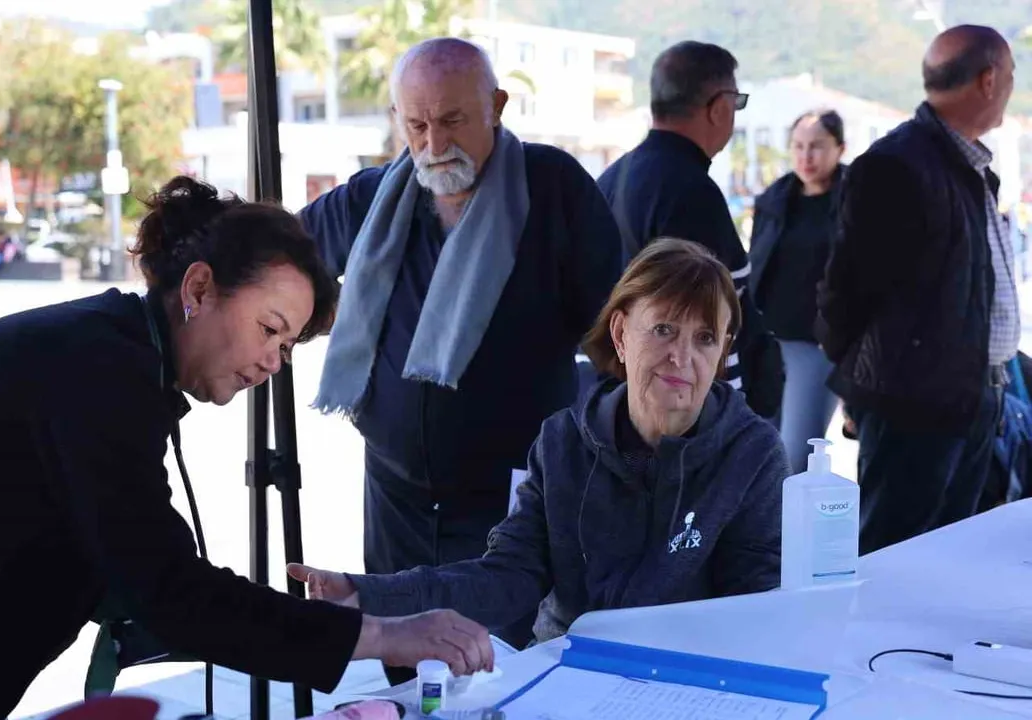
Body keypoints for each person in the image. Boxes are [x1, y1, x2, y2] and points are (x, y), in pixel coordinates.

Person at [0, 176, 494, 719]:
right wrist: (384, 634)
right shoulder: (97, 370)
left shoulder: (110, 350)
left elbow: (139, 571)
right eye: (270, 329)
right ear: (197, 289)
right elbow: (170, 588)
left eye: (289, 346)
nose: (274, 362)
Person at [289, 239, 786, 645]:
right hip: (565, 672)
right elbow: (507, 575)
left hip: (687, 685)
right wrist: (368, 594)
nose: (682, 356)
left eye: (705, 338)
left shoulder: (753, 455)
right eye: (663, 329)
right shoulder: (562, 443)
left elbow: (755, 609)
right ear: (620, 334)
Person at [300, 38, 623, 659]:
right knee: (407, 668)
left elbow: (615, 326)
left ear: (496, 106)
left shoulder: (553, 188)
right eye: (417, 125)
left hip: (511, 500)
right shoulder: (373, 197)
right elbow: (279, 259)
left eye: (452, 120)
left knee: (497, 663)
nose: (434, 144)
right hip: (396, 501)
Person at [817, 25, 1018, 554]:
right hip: (914, 404)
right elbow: (845, 293)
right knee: (892, 554)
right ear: (988, 79)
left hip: (973, 396)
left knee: (952, 555)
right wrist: (864, 389)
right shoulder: (897, 165)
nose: (1011, 88)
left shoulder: (969, 166)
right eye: (1011, 76)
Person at [597, 41, 784, 423]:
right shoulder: (692, 192)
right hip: (684, 417)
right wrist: (730, 427)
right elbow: (714, 321)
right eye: (736, 102)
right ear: (719, 108)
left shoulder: (613, 178)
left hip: (622, 405)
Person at [748, 110, 847, 473]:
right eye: (799, 146)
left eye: (817, 146)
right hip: (767, 340)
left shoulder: (856, 198)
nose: (807, 156)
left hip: (817, 346)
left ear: (840, 148)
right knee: (758, 450)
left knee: (795, 455)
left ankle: (792, 513)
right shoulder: (773, 199)